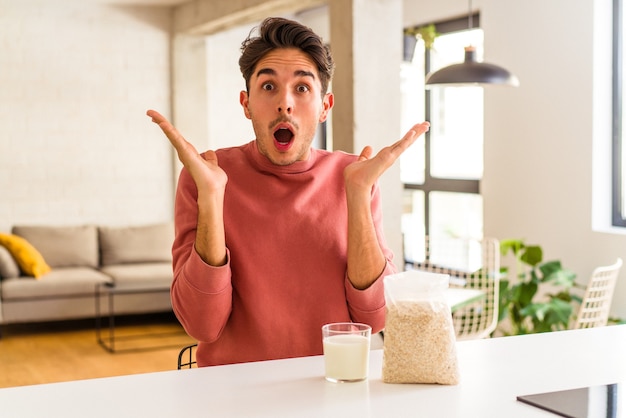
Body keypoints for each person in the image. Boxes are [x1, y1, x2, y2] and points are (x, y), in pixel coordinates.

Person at [147, 16, 429, 367]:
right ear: (246, 103)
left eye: (302, 88)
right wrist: (212, 199)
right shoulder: (206, 177)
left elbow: (375, 319)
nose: (285, 103)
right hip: (231, 393)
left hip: (333, 385)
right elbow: (202, 324)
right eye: (268, 87)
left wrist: (357, 196)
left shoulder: (356, 177)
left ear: (325, 106)